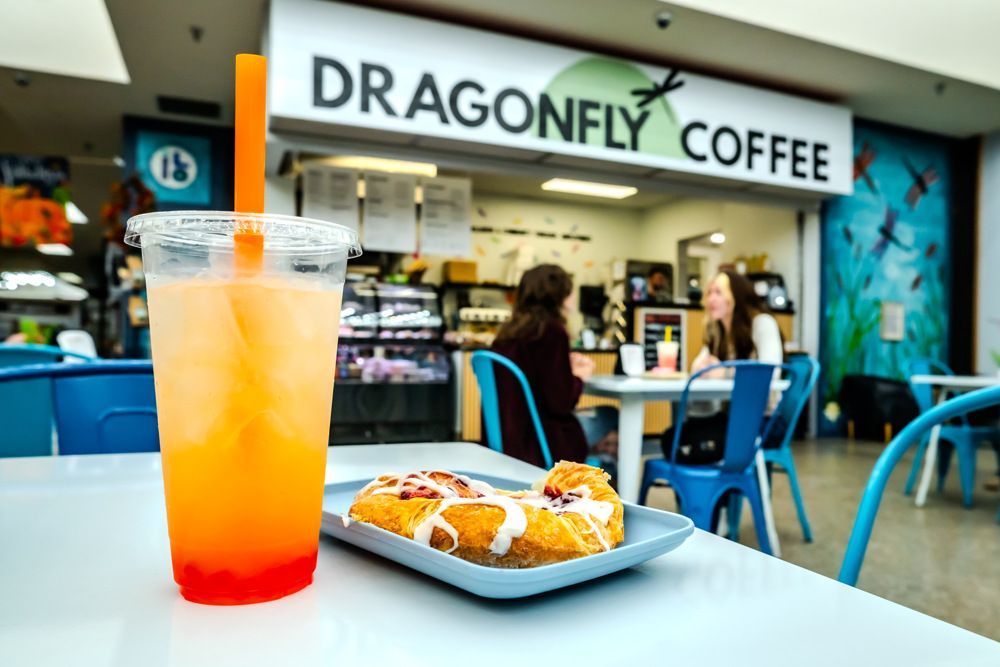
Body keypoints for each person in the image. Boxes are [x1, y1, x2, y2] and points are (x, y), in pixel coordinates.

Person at [660, 269, 784, 465]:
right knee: (671, 438)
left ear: (736, 295)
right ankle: (717, 492)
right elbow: (698, 368)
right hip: (731, 419)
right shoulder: (718, 331)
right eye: (709, 293)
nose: (711, 299)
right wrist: (703, 366)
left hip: (764, 422)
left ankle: (719, 492)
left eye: (718, 292)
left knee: (681, 443)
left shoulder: (762, 324)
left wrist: (725, 372)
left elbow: (772, 373)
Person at [490, 264, 596, 468]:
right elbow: (561, 403)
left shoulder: (506, 334)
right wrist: (580, 376)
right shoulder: (552, 332)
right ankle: (598, 491)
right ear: (559, 295)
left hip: (507, 437)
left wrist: (566, 367)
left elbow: (536, 378)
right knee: (610, 417)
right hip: (540, 441)